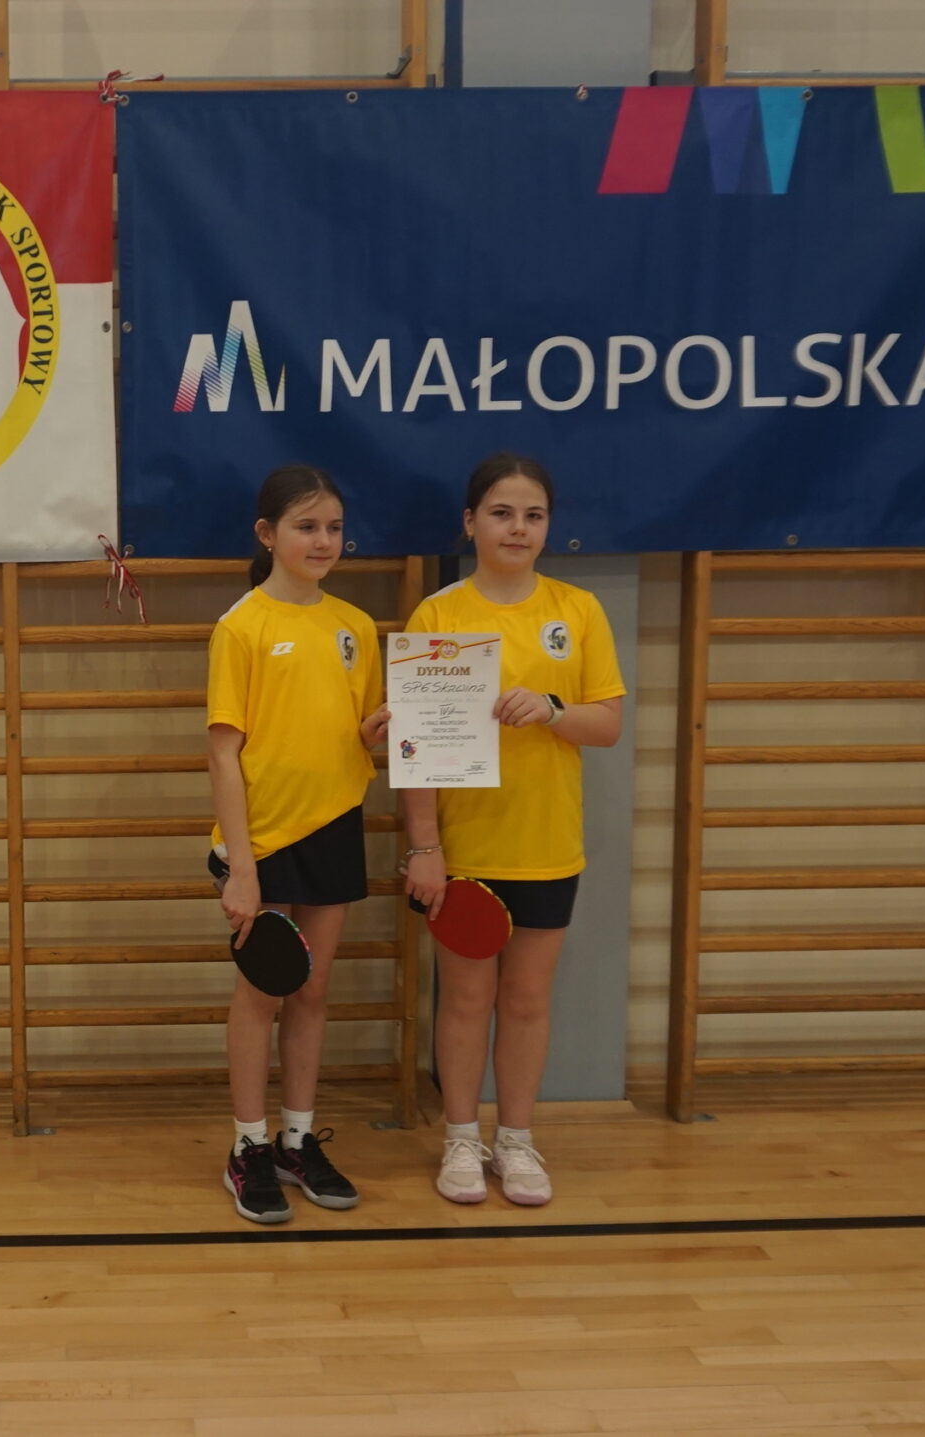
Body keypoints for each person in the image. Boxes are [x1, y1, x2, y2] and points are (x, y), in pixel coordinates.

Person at [396, 452, 625, 1206]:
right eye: (501, 513)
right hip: (467, 848)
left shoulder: (577, 609)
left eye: (533, 515)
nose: (518, 528)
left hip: (548, 844)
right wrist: (425, 847)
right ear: (470, 523)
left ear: (548, 526)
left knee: (526, 1000)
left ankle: (516, 1140)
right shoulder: (438, 616)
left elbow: (608, 724)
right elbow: (417, 749)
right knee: (465, 1001)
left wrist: (553, 710)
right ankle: (461, 1137)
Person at [206, 464, 386, 1224]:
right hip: (262, 839)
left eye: (334, 528)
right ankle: (247, 1147)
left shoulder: (356, 627)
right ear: (267, 534)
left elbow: (360, 737)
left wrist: (384, 732)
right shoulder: (241, 627)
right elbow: (224, 754)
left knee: (311, 990)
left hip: (334, 825)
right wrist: (243, 867)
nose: (323, 541)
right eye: (306, 526)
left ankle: (296, 1139)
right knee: (262, 993)